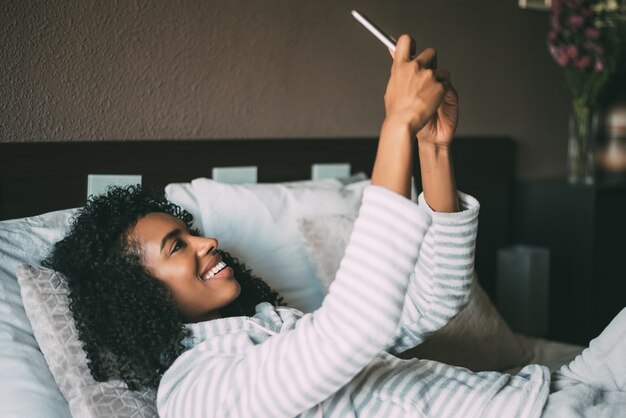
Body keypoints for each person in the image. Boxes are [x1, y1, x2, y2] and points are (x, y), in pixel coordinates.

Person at [44, 35, 626, 417]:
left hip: (558, 389)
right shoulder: (196, 394)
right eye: (177, 244)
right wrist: (394, 128)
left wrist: (433, 151)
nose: (207, 242)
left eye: (191, 230)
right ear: (131, 292)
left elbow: (434, 301)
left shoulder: (273, 329)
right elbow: (357, 326)